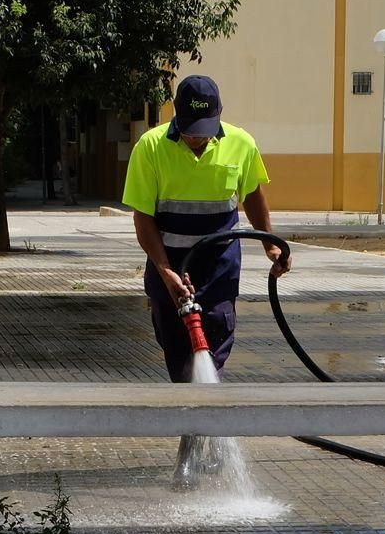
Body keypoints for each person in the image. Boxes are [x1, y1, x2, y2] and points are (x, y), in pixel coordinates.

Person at [121, 75, 290, 489]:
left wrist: (270, 242)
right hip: (168, 264)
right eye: (190, 132)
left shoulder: (241, 144)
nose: (197, 140)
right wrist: (165, 273)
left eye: (205, 132)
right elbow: (143, 219)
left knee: (211, 347)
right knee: (180, 357)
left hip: (217, 268)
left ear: (219, 118)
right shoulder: (151, 147)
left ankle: (191, 449)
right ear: (175, 117)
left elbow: (252, 194)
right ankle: (198, 438)